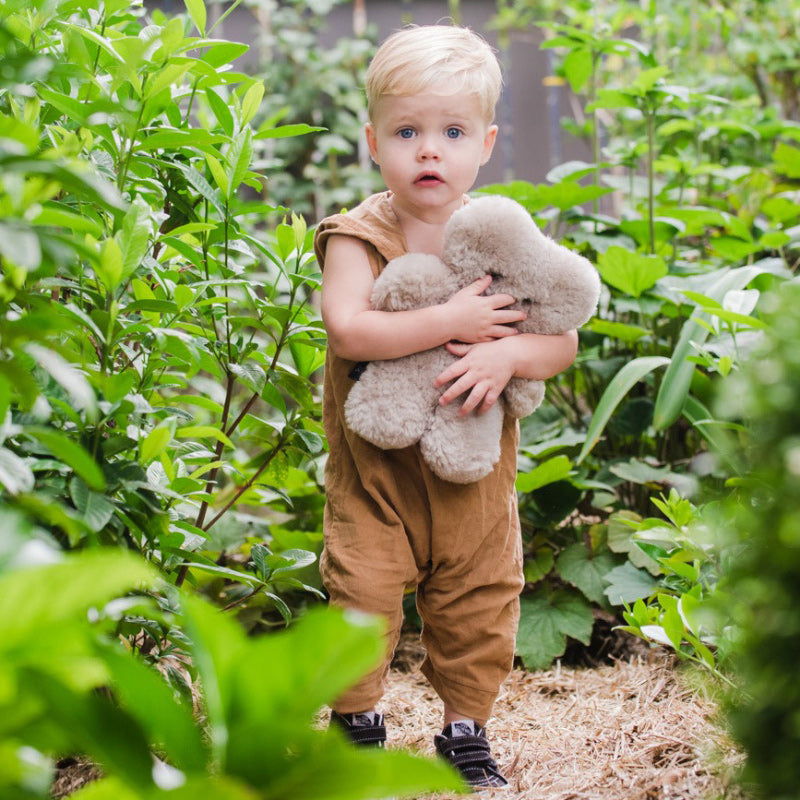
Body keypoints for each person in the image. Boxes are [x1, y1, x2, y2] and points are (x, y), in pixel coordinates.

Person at [314, 24, 578, 790]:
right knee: (360, 595)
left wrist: (504, 352)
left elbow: (558, 345)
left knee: (480, 607)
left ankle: (466, 732)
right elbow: (350, 328)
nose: (430, 151)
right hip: (377, 481)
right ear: (373, 141)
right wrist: (453, 323)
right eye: (407, 131)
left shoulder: (504, 238)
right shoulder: (357, 238)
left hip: (475, 485)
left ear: (486, 142)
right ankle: (358, 722)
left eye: (452, 131)